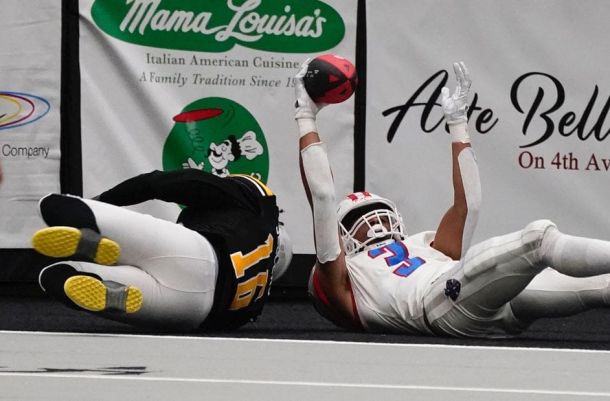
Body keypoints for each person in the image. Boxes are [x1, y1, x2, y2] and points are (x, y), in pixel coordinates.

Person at [295, 59, 610, 338]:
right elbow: (323, 196)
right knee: (538, 239)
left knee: (601, 286)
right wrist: (306, 116)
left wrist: (458, 124)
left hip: (474, 300)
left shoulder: (422, 245)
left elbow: (468, 205)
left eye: (377, 211)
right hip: (439, 305)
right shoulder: (342, 276)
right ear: (341, 234)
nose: (374, 221)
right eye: (358, 219)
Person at [32, 169, 292, 331]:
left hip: (199, 255)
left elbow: (161, 183)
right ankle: (109, 286)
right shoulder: (254, 305)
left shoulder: (250, 204)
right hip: (193, 313)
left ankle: (90, 239)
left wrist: (102, 203)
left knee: (54, 205)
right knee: (56, 274)